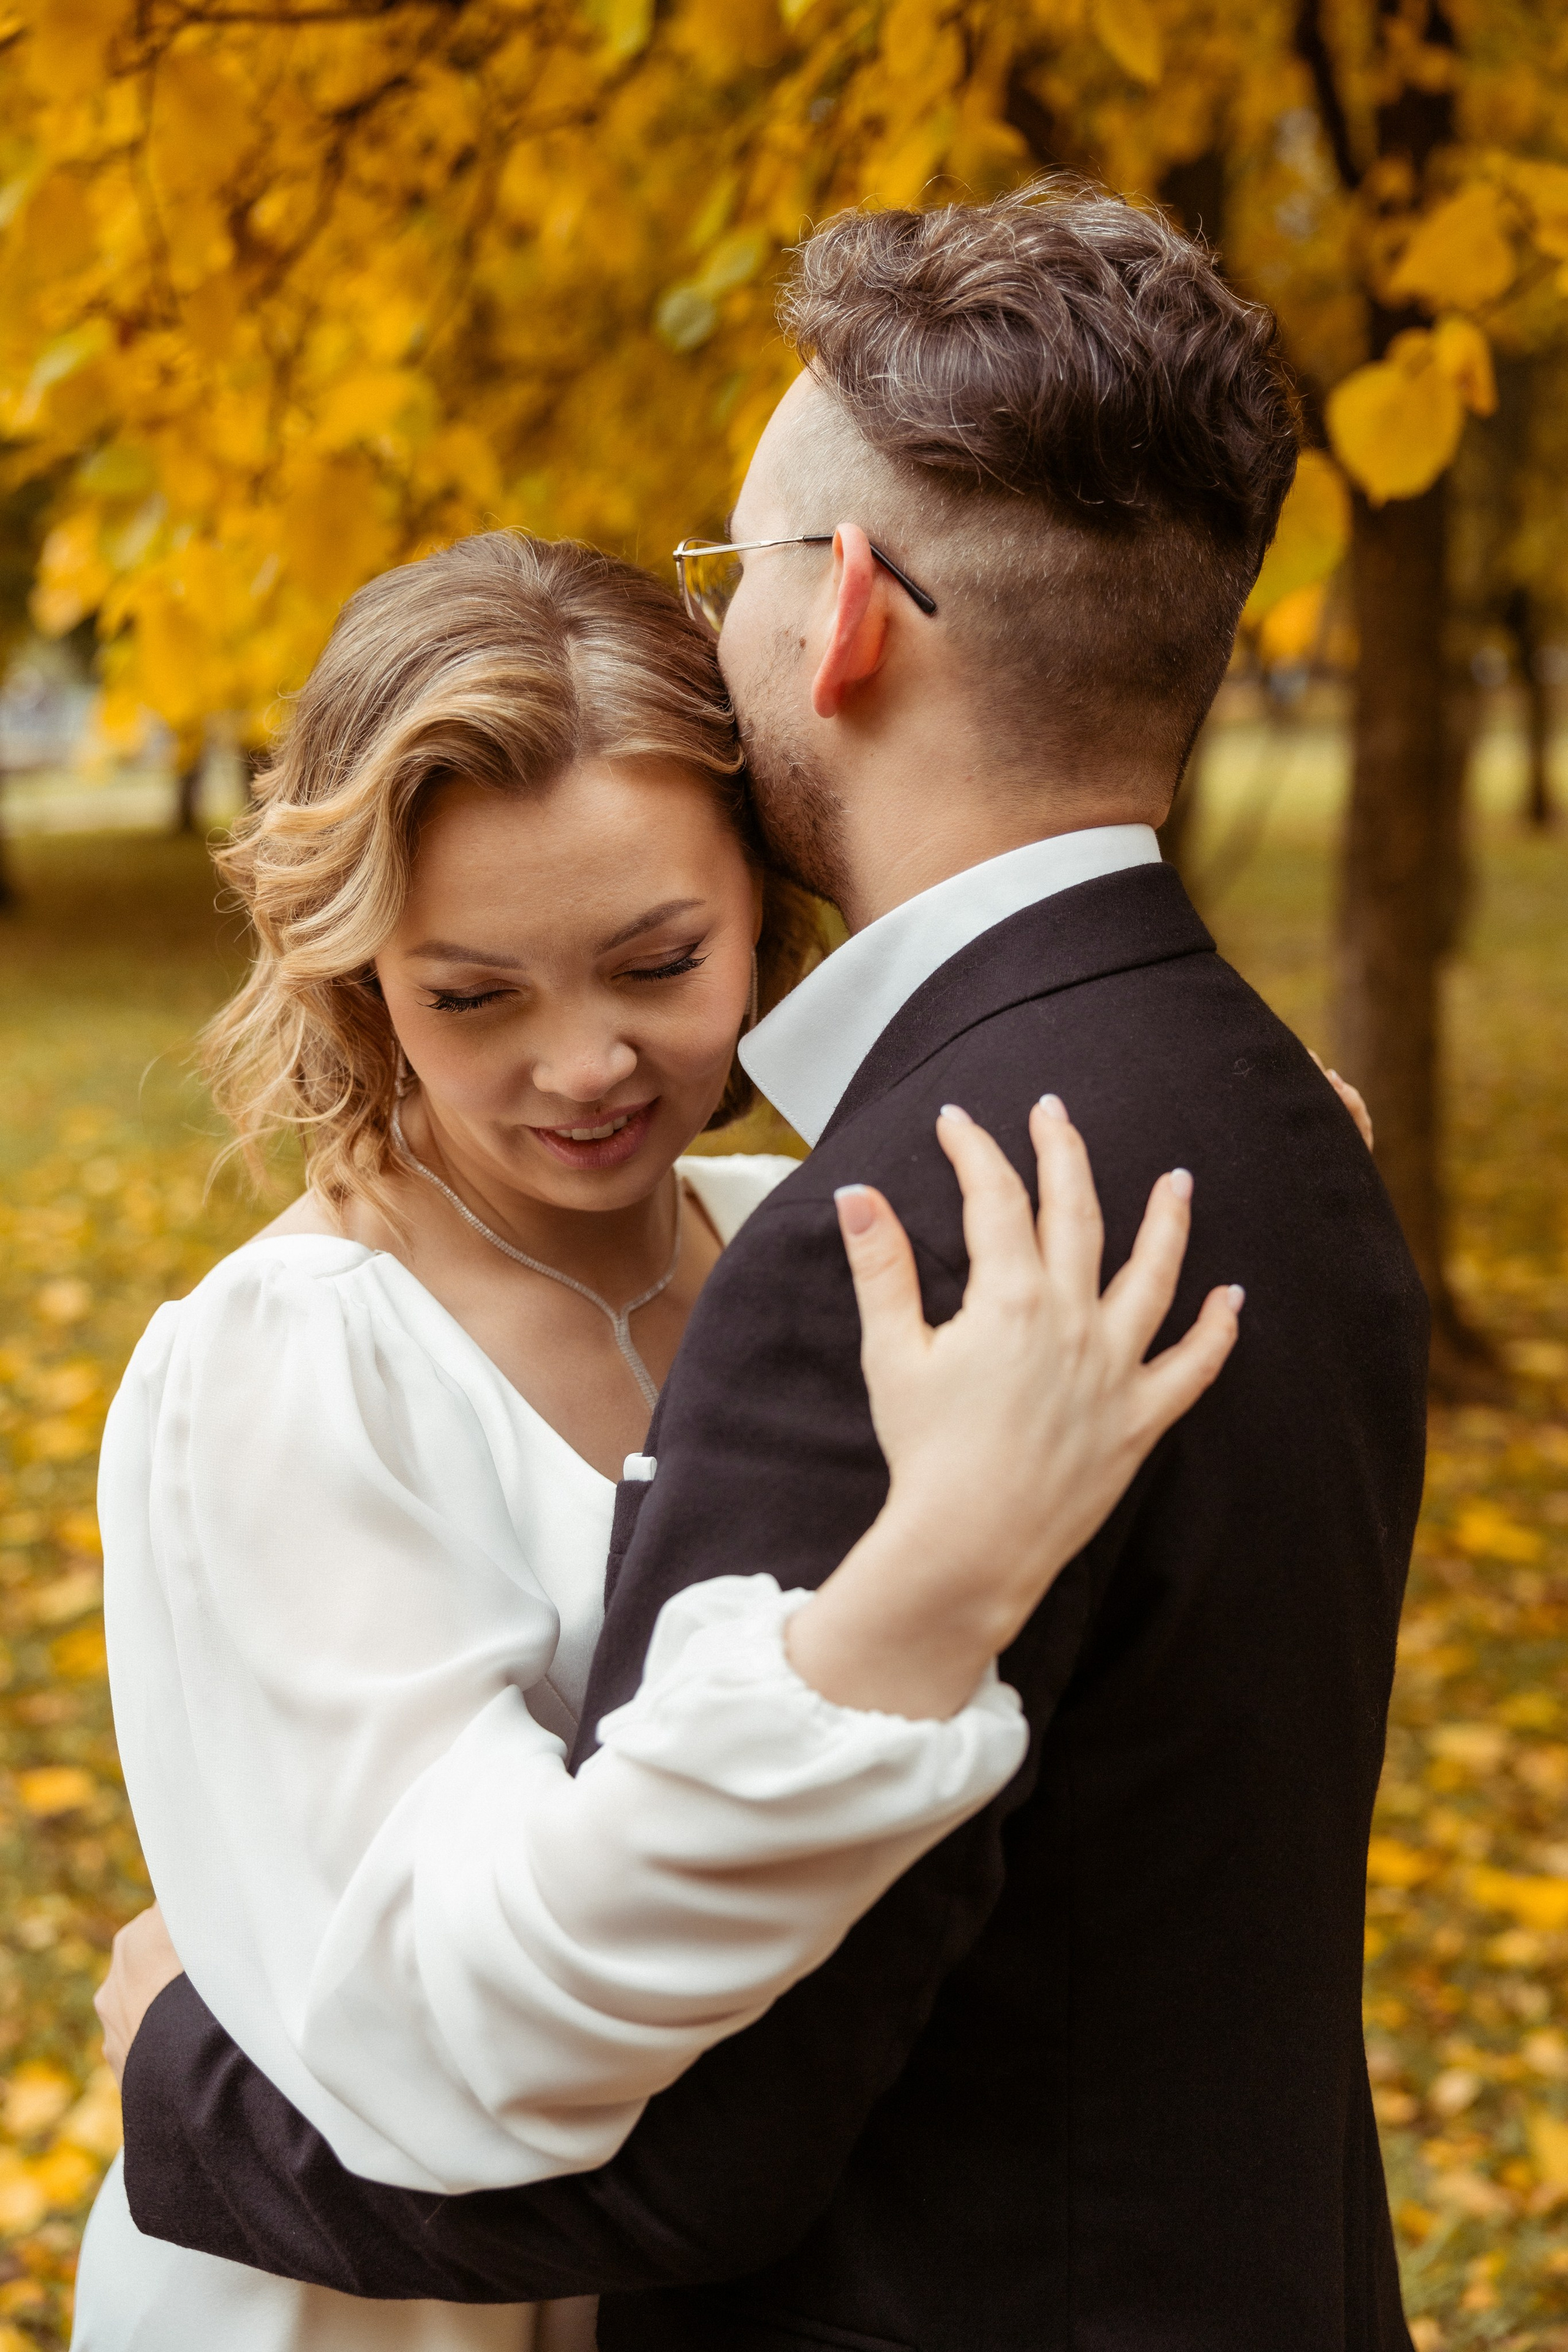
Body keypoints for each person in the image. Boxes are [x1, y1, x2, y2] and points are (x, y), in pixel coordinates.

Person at [102, 183, 1427, 2351]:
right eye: (472, 994)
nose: (585, 1059)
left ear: (843, 628)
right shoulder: (1266, 1118)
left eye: (654, 957)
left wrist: (185, 2079)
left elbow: (690, 2157)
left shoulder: (883, 1255)